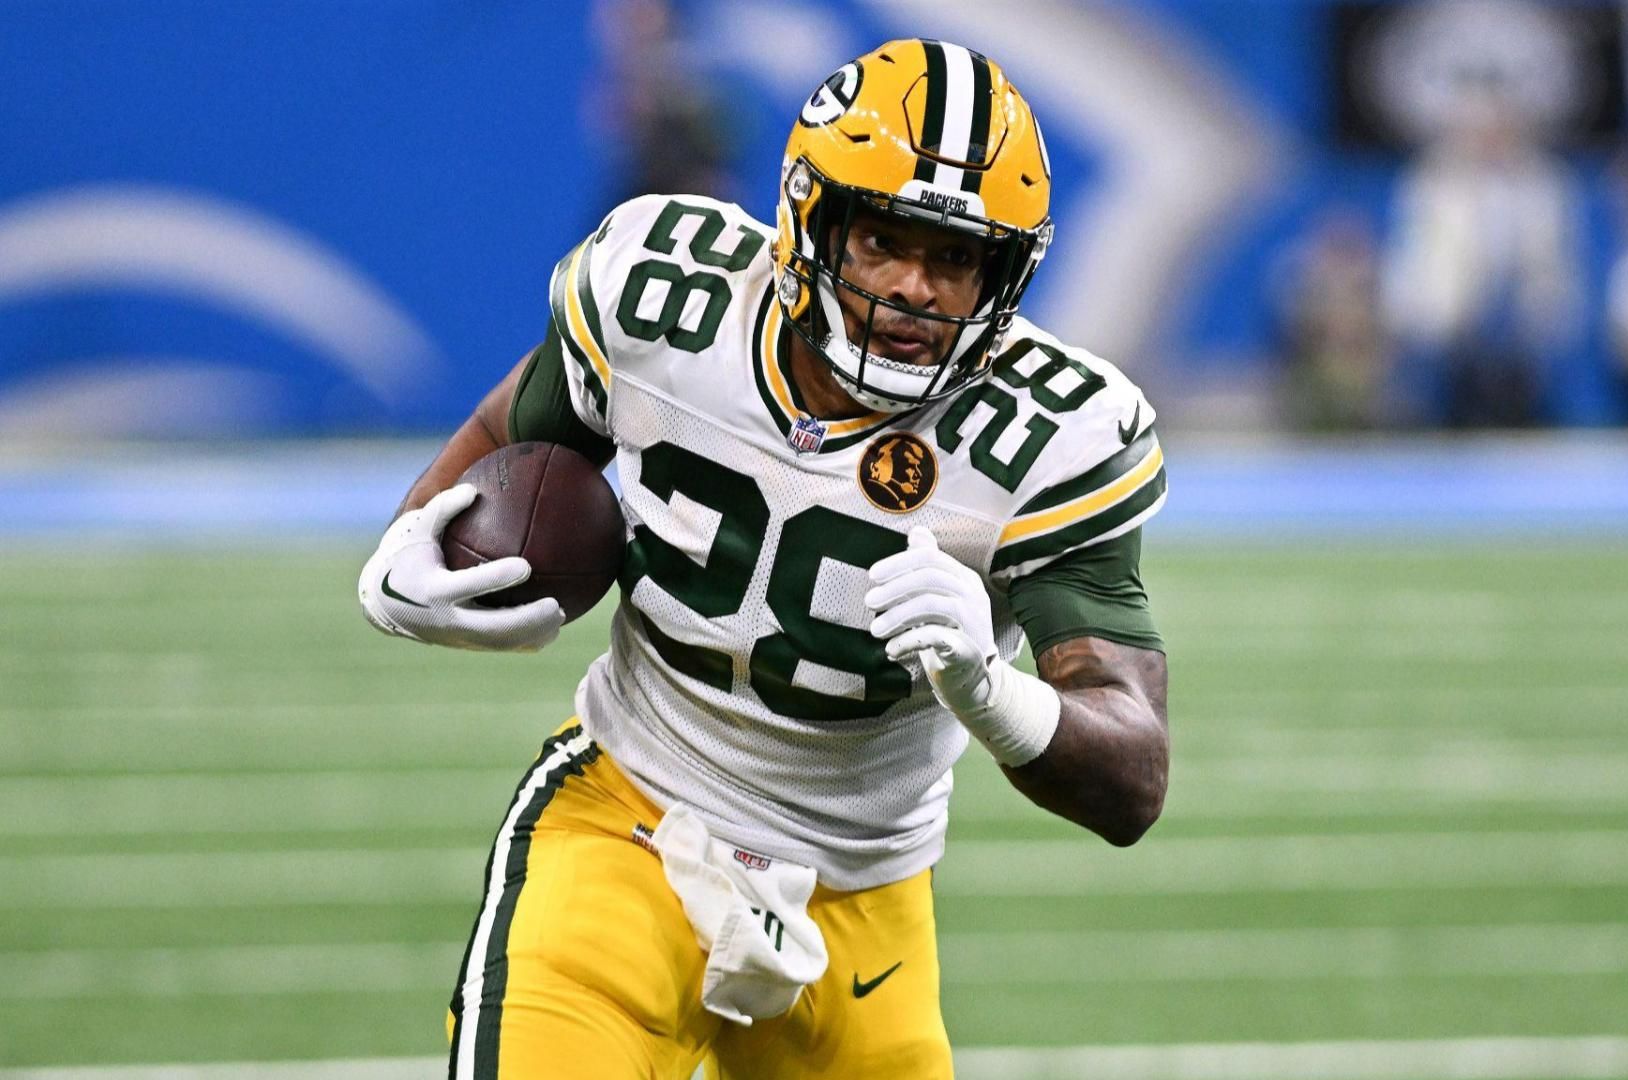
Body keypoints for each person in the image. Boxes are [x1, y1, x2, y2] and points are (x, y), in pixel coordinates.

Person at [357, 39, 1169, 1079]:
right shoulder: (668, 303)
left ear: (1004, 275)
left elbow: (1133, 777)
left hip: (864, 901)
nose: (918, 289)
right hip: (630, 818)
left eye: (957, 258)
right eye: (886, 239)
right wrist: (404, 554)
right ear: (810, 219)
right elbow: (502, 442)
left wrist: (991, 688)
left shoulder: (1050, 437)